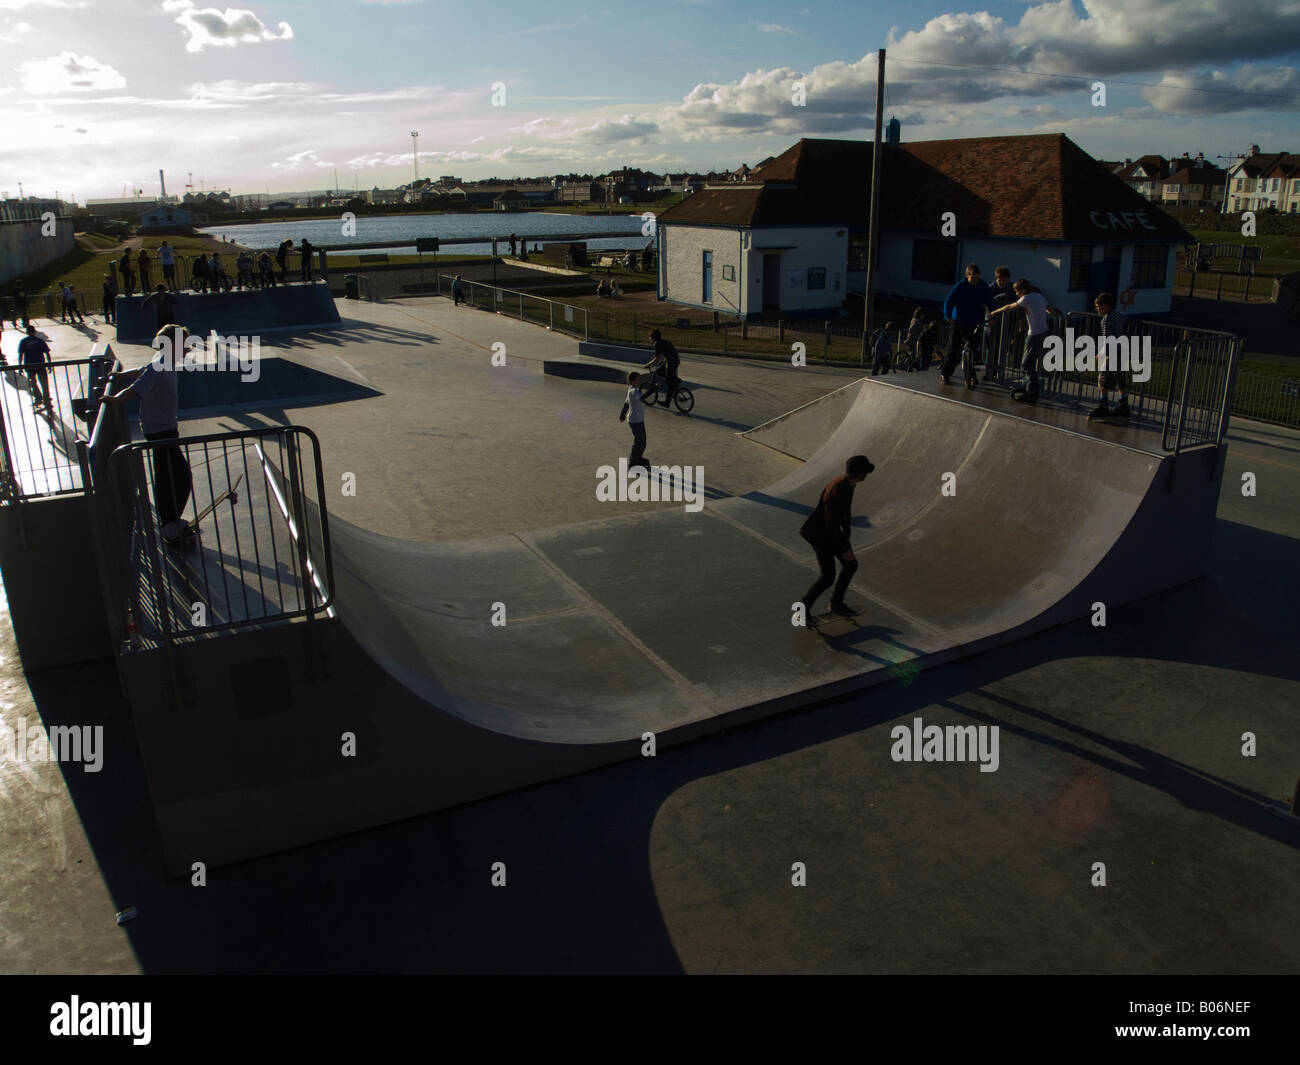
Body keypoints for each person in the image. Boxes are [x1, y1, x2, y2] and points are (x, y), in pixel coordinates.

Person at [103, 325, 193, 545]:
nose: (188, 349)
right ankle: (168, 525)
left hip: (167, 429)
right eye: (184, 345)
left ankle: (172, 520)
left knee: (174, 477)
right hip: (159, 432)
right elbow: (136, 388)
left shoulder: (163, 362)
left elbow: (138, 372)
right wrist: (114, 400)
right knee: (174, 478)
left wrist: (120, 374)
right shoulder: (159, 367)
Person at [798, 454, 875, 618]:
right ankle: (803, 608)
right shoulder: (838, 490)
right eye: (865, 472)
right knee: (828, 577)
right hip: (819, 534)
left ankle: (836, 603)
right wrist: (842, 548)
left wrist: (846, 537)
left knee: (851, 565)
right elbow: (830, 523)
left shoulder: (849, 484)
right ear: (858, 473)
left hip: (831, 532)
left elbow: (845, 513)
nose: (867, 476)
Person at [987, 277, 1061, 404]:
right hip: (1043, 332)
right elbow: (1048, 309)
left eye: (1017, 291)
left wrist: (994, 312)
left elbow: (1009, 306)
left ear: (1023, 290)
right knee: (1028, 362)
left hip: (1035, 334)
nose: (1016, 294)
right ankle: (1026, 387)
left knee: (1027, 363)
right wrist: (1057, 313)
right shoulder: (1039, 296)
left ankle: (1032, 392)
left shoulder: (1026, 298)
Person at [938, 263, 994, 386]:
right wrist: (948, 316)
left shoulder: (983, 286)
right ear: (967, 276)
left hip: (975, 321)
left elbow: (990, 302)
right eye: (972, 277)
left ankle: (972, 375)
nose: (975, 280)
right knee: (953, 347)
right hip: (959, 320)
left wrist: (992, 316)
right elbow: (949, 300)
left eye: (977, 277)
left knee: (974, 349)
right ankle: (945, 373)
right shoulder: (960, 286)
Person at [1088, 292, 1130, 422]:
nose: (1097, 309)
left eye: (1099, 307)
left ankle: (1103, 406)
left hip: (1112, 353)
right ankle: (1123, 405)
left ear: (1106, 306)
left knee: (1103, 380)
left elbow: (1108, 339)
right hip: (1122, 350)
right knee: (1120, 379)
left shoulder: (1106, 320)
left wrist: (1102, 355)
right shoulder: (1118, 314)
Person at [986, 266, 1016, 376]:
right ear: (996, 279)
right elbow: (987, 305)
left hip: (1007, 322)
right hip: (993, 322)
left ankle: (999, 369)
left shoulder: (1013, 289)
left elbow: (1018, 303)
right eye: (999, 280)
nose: (1002, 282)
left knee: (1002, 346)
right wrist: (990, 319)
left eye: (1004, 280)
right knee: (990, 347)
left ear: (1008, 280)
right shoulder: (991, 288)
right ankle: (989, 369)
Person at [618, 370, 651, 471]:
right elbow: (643, 397)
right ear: (632, 382)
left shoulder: (631, 389)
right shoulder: (634, 391)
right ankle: (632, 464)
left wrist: (622, 414)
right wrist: (653, 389)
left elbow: (626, 403)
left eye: (639, 380)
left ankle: (638, 459)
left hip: (638, 420)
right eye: (637, 380)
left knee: (643, 442)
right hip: (635, 421)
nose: (639, 382)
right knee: (639, 442)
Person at [16, 324, 52, 411]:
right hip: (40, 365)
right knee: (43, 384)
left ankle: (39, 398)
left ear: (27, 332)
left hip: (30, 366)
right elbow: (47, 353)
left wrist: (20, 366)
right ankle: (46, 400)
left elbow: (21, 355)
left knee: (33, 383)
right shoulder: (39, 341)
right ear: (34, 332)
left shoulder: (24, 341)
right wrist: (49, 364)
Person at [645, 329, 681, 409]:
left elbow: (657, 359)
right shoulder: (665, 341)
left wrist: (649, 365)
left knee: (669, 382)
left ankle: (667, 402)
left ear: (653, 337)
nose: (649, 339)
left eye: (649, 337)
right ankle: (674, 380)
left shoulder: (657, 344)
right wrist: (661, 363)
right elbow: (667, 354)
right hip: (674, 360)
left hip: (671, 362)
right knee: (662, 372)